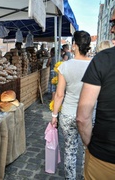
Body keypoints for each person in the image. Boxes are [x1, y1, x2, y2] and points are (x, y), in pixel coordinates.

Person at [76, 9, 115, 179]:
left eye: (113, 23)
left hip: (105, 156)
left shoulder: (103, 60)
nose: (112, 29)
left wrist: (89, 143)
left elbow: (83, 117)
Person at [51, 30, 92, 179]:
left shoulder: (65, 66)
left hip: (68, 114)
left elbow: (60, 94)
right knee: (87, 150)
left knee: (69, 150)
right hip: (88, 115)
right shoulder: (94, 65)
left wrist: (54, 115)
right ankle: (86, 176)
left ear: (74, 45)